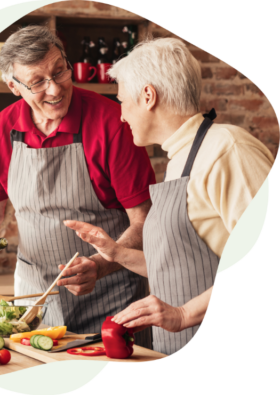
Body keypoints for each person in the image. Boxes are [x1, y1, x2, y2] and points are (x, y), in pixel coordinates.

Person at [0, 25, 156, 347]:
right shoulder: (3, 128)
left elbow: (144, 219)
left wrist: (99, 266)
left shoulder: (112, 122)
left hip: (112, 298)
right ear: (14, 87)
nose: (55, 89)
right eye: (37, 82)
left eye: (59, 72)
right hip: (34, 302)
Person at [64, 36, 276, 356]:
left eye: (123, 101)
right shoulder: (180, 158)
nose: (121, 115)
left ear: (148, 96)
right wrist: (116, 252)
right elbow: (180, 269)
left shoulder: (227, 150)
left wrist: (183, 314)